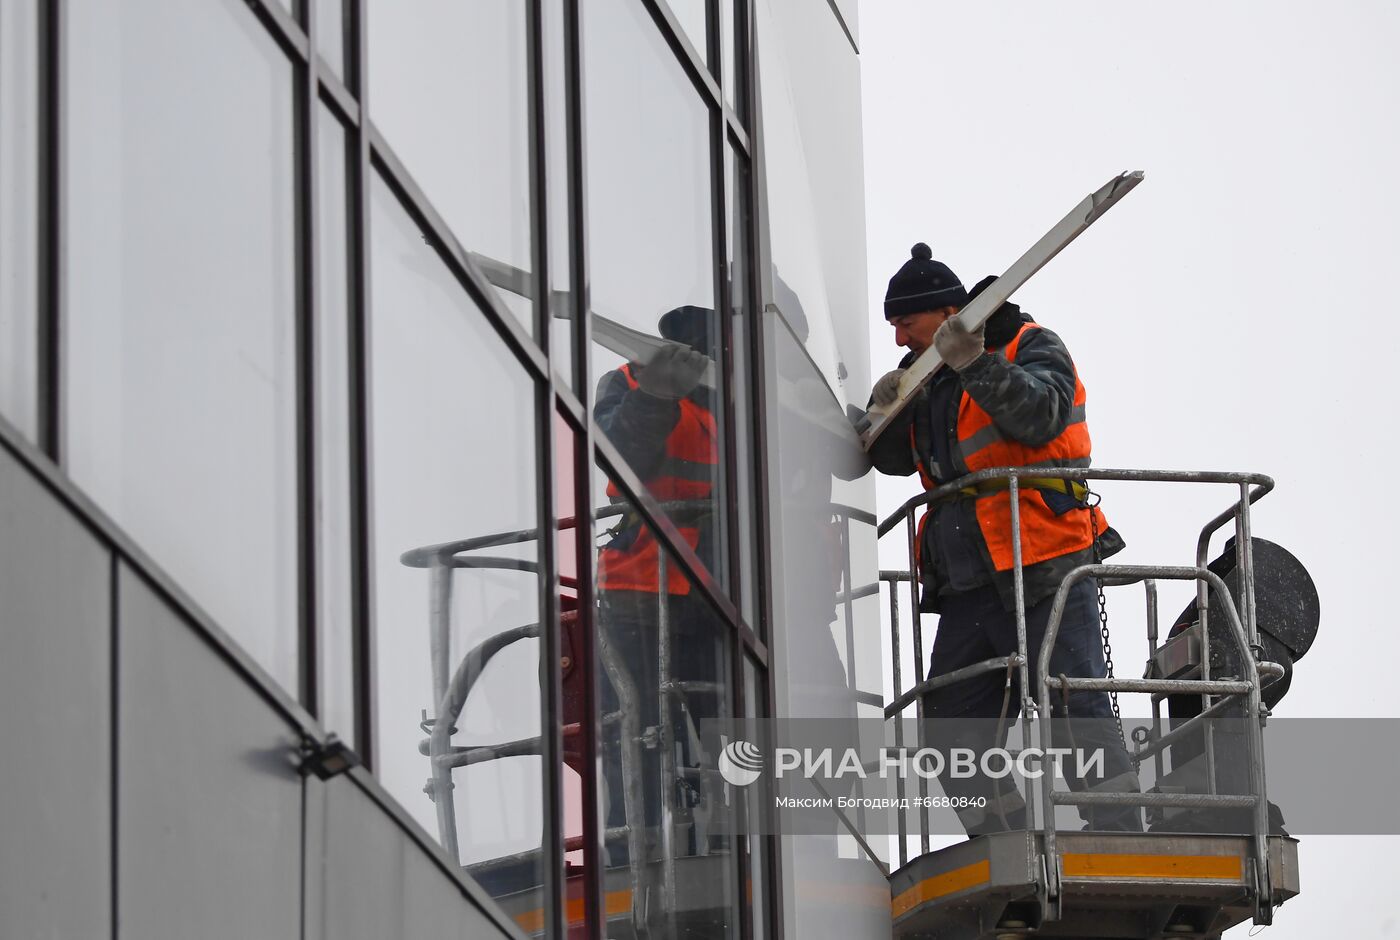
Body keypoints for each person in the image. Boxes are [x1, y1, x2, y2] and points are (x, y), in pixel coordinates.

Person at [868, 243, 1141, 834]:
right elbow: (892, 459)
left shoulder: (1029, 343)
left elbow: (1040, 416)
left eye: (906, 323)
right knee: (951, 726)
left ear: (947, 313)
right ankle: (1004, 840)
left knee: (1075, 708)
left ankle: (1119, 837)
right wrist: (884, 410)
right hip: (969, 581)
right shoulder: (930, 379)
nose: (897, 339)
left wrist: (975, 363)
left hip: (1045, 561)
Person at [593, 304, 728, 866]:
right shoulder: (629, 381)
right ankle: (637, 856)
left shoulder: (745, 394)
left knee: (731, 738)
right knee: (640, 734)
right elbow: (616, 456)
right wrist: (654, 396)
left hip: (719, 593)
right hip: (645, 587)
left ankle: (738, 851)